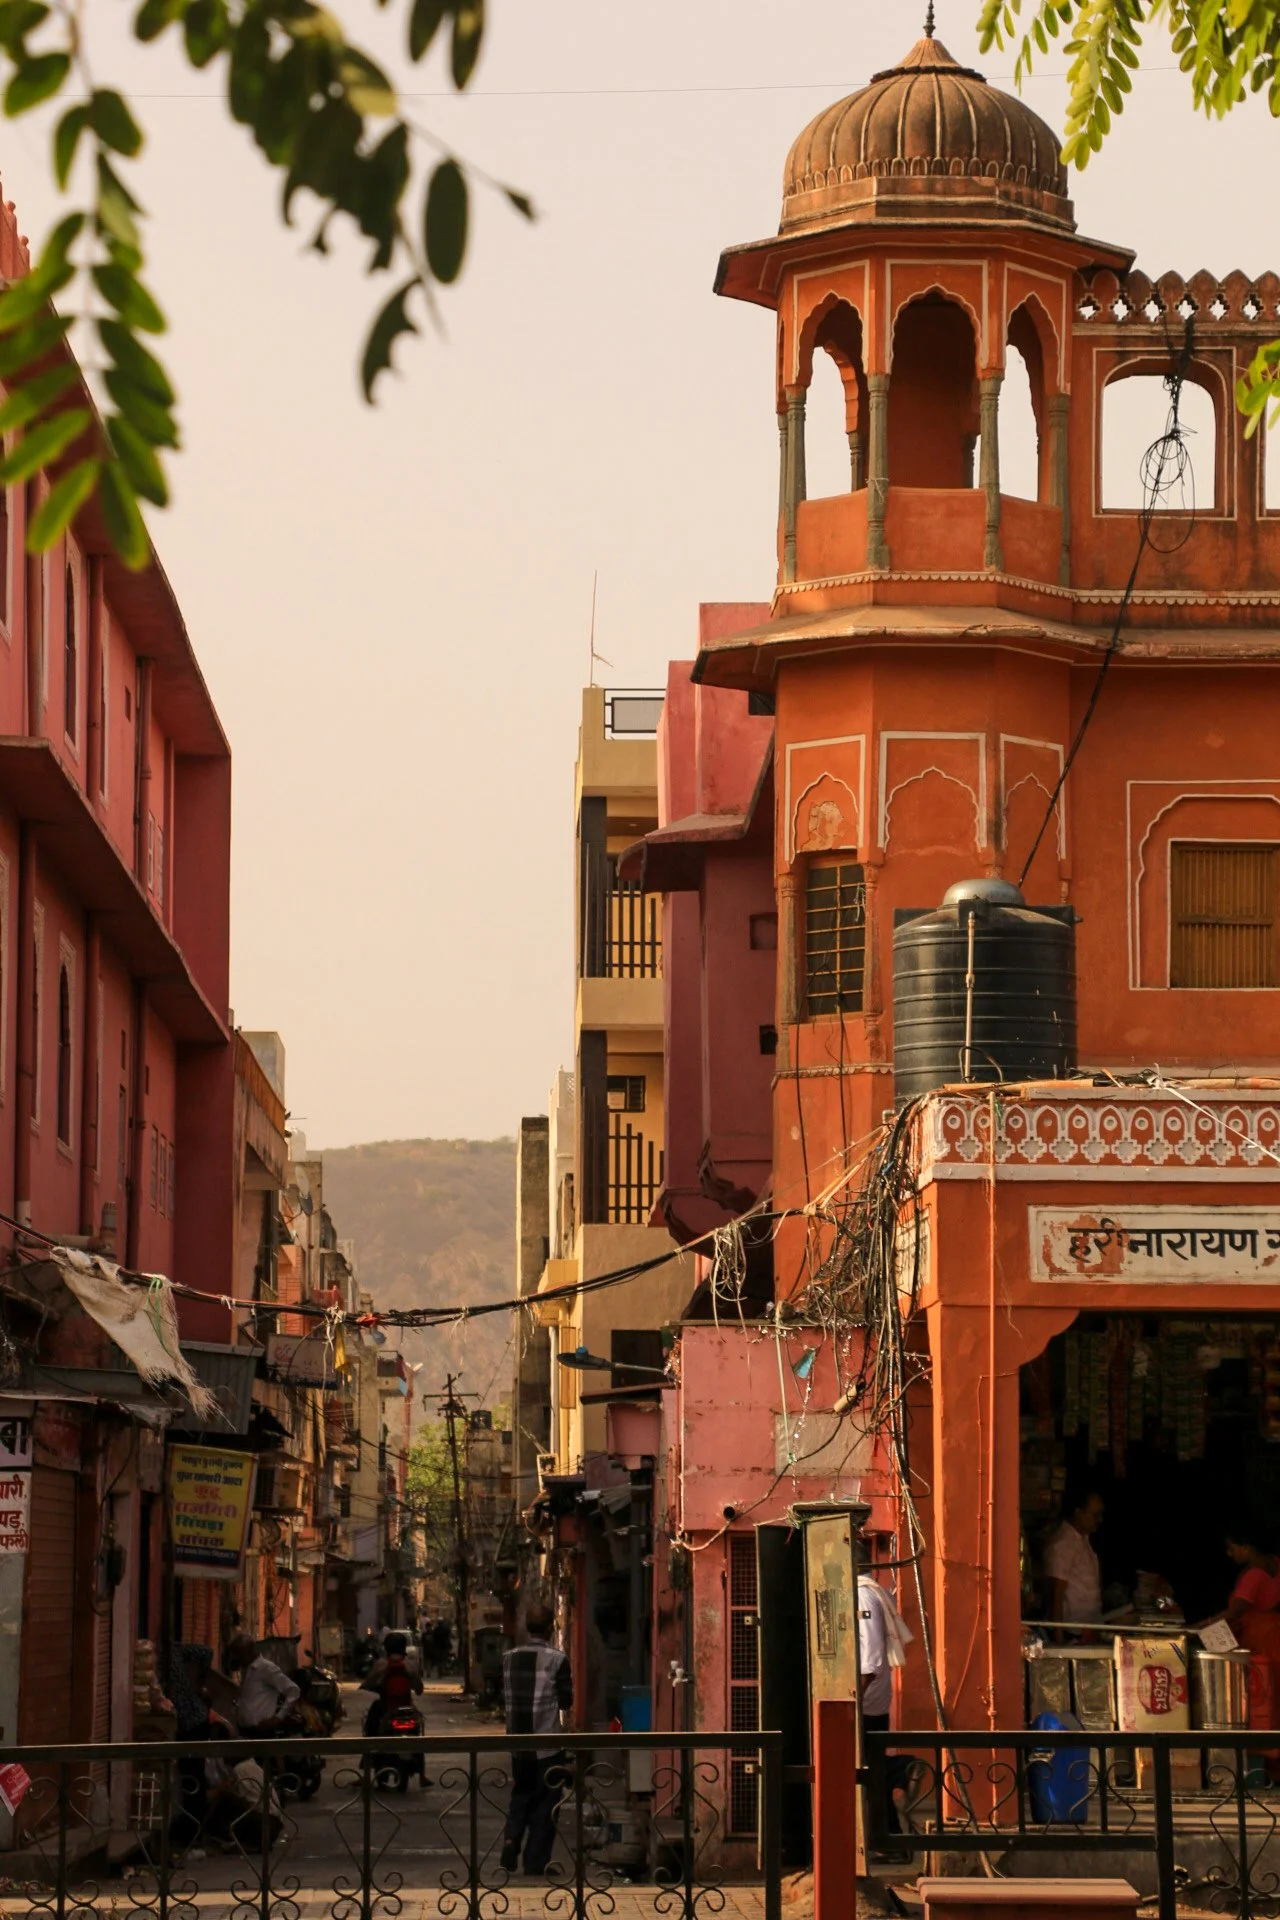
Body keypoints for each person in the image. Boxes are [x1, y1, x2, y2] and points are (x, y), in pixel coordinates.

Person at [501, 1603, 573, 1876]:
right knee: (546, 1802)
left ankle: (511, 1838)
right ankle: (535, 1861)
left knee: (520, 1794)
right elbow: (566, 1701)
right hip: (547, 1744)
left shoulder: (508, 1657)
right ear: (550, 1628)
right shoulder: (557, 1659)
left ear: (526, 1628)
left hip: (517, 1745)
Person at [1197, 1528, 1280, 1737]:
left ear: (1246, 1546)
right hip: (1274, 1634)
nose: (1229, 1554)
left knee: (1259, 1697)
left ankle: (1260, 1751)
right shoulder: (1275, 1563)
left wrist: (1199, 1626)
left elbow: (1233, 1613)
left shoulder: (1253, 1574)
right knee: (1274, 1694)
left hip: (1258, 1639)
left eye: (1231, 1548)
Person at [857, 1573, 914, 1859]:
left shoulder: (863, 1595)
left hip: (864, 1703)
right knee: (873, 1774)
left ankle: (887, 1842)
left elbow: (870, 1661)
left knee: (871, 1775)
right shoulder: (877, 1591)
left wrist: (852, 1701)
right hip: (874, 1702)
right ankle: (887, 1842)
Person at [1043, 1488, 1105, 1641]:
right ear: (1078, 1513)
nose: (1099, 1519)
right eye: (1095, 1515)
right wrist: (1059, 1638)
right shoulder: (1063, 1543)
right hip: (1071, 1632)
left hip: (1087, 1628)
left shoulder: (1083, 1539)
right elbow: (1056, 1593)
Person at [226, 1634, 301, 1734]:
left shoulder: (267, 1669)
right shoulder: (246, 1670)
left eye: (239, 1655)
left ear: (248, 1652)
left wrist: (277, 1718)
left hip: (260, 1732)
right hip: (244, 1731)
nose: (237, 1658)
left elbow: (294, 1690)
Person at [363, 1630, 423, 1735]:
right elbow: (419, 1690)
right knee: (418, 1719)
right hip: (406, 1708)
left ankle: (370, 1748)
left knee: (371, 1722)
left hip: (385, 1708)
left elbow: (368, 1683)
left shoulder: (380, 1665)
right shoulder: (410, 1666)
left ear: (386, 1648)